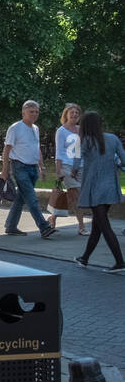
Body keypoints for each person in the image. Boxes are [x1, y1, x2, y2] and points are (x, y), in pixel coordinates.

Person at [75, 112, 125, 272]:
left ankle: (120, 262)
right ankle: (84, 258)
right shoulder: (113, 138)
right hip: (111, 187)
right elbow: (123, 160)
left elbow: (76, 162)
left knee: (104, 226)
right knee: (97, 225)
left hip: (95, 188)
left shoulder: (83, 140)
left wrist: (73, 172)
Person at [0, 100, 53, 238]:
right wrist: (5, 169)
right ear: (23, 113)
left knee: (21, 198)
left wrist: (41, 166)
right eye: (31, 112)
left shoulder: (35, 128)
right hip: (19, 166)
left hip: (32, 168)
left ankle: (10, 226)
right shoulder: (15, 128)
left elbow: (37, 148)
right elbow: (7, 149)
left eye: (36, 112)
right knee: (31, 198)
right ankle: (44, 227)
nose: (34, 114)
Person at [54, 103, 87, 235]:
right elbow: (59, 151)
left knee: (72, 197)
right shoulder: (61, 131)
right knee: (77, 194)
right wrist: (58, 170)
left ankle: (53, 217)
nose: (74, 115)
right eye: (71, 112)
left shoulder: (81, 130)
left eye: (76, 113)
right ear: (66, 115)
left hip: (80, 166)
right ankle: (81, 226)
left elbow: (82, 150)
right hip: (66, 166)